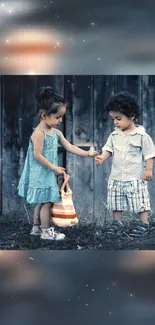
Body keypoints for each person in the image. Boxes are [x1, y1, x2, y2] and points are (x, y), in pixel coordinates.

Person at [18, 86, 98, 241]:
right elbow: (37, 155)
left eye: (62, 116)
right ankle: (46, 231)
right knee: (46, 202)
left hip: (47, 172)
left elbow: (69, 146)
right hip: (41, 172)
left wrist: (87, 153)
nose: (61, 120)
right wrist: (54, 167)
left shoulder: (56, 133)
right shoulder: (39, 134)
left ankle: (36, 229)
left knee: (42, 201)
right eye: (58, 117)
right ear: (43, 115)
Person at [95, 91, 155, 237]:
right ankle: (116, 223)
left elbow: (149, 154)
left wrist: (148, 170)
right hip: (117, 176)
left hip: (135, 177)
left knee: (140, 199)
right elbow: (108, 149)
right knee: (116, 201)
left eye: (118, 118)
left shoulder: (142, 136)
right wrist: (102, 158)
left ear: (132, 116)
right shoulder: (114, 135)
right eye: (113, 119)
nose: (115, 122)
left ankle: (144, 223)